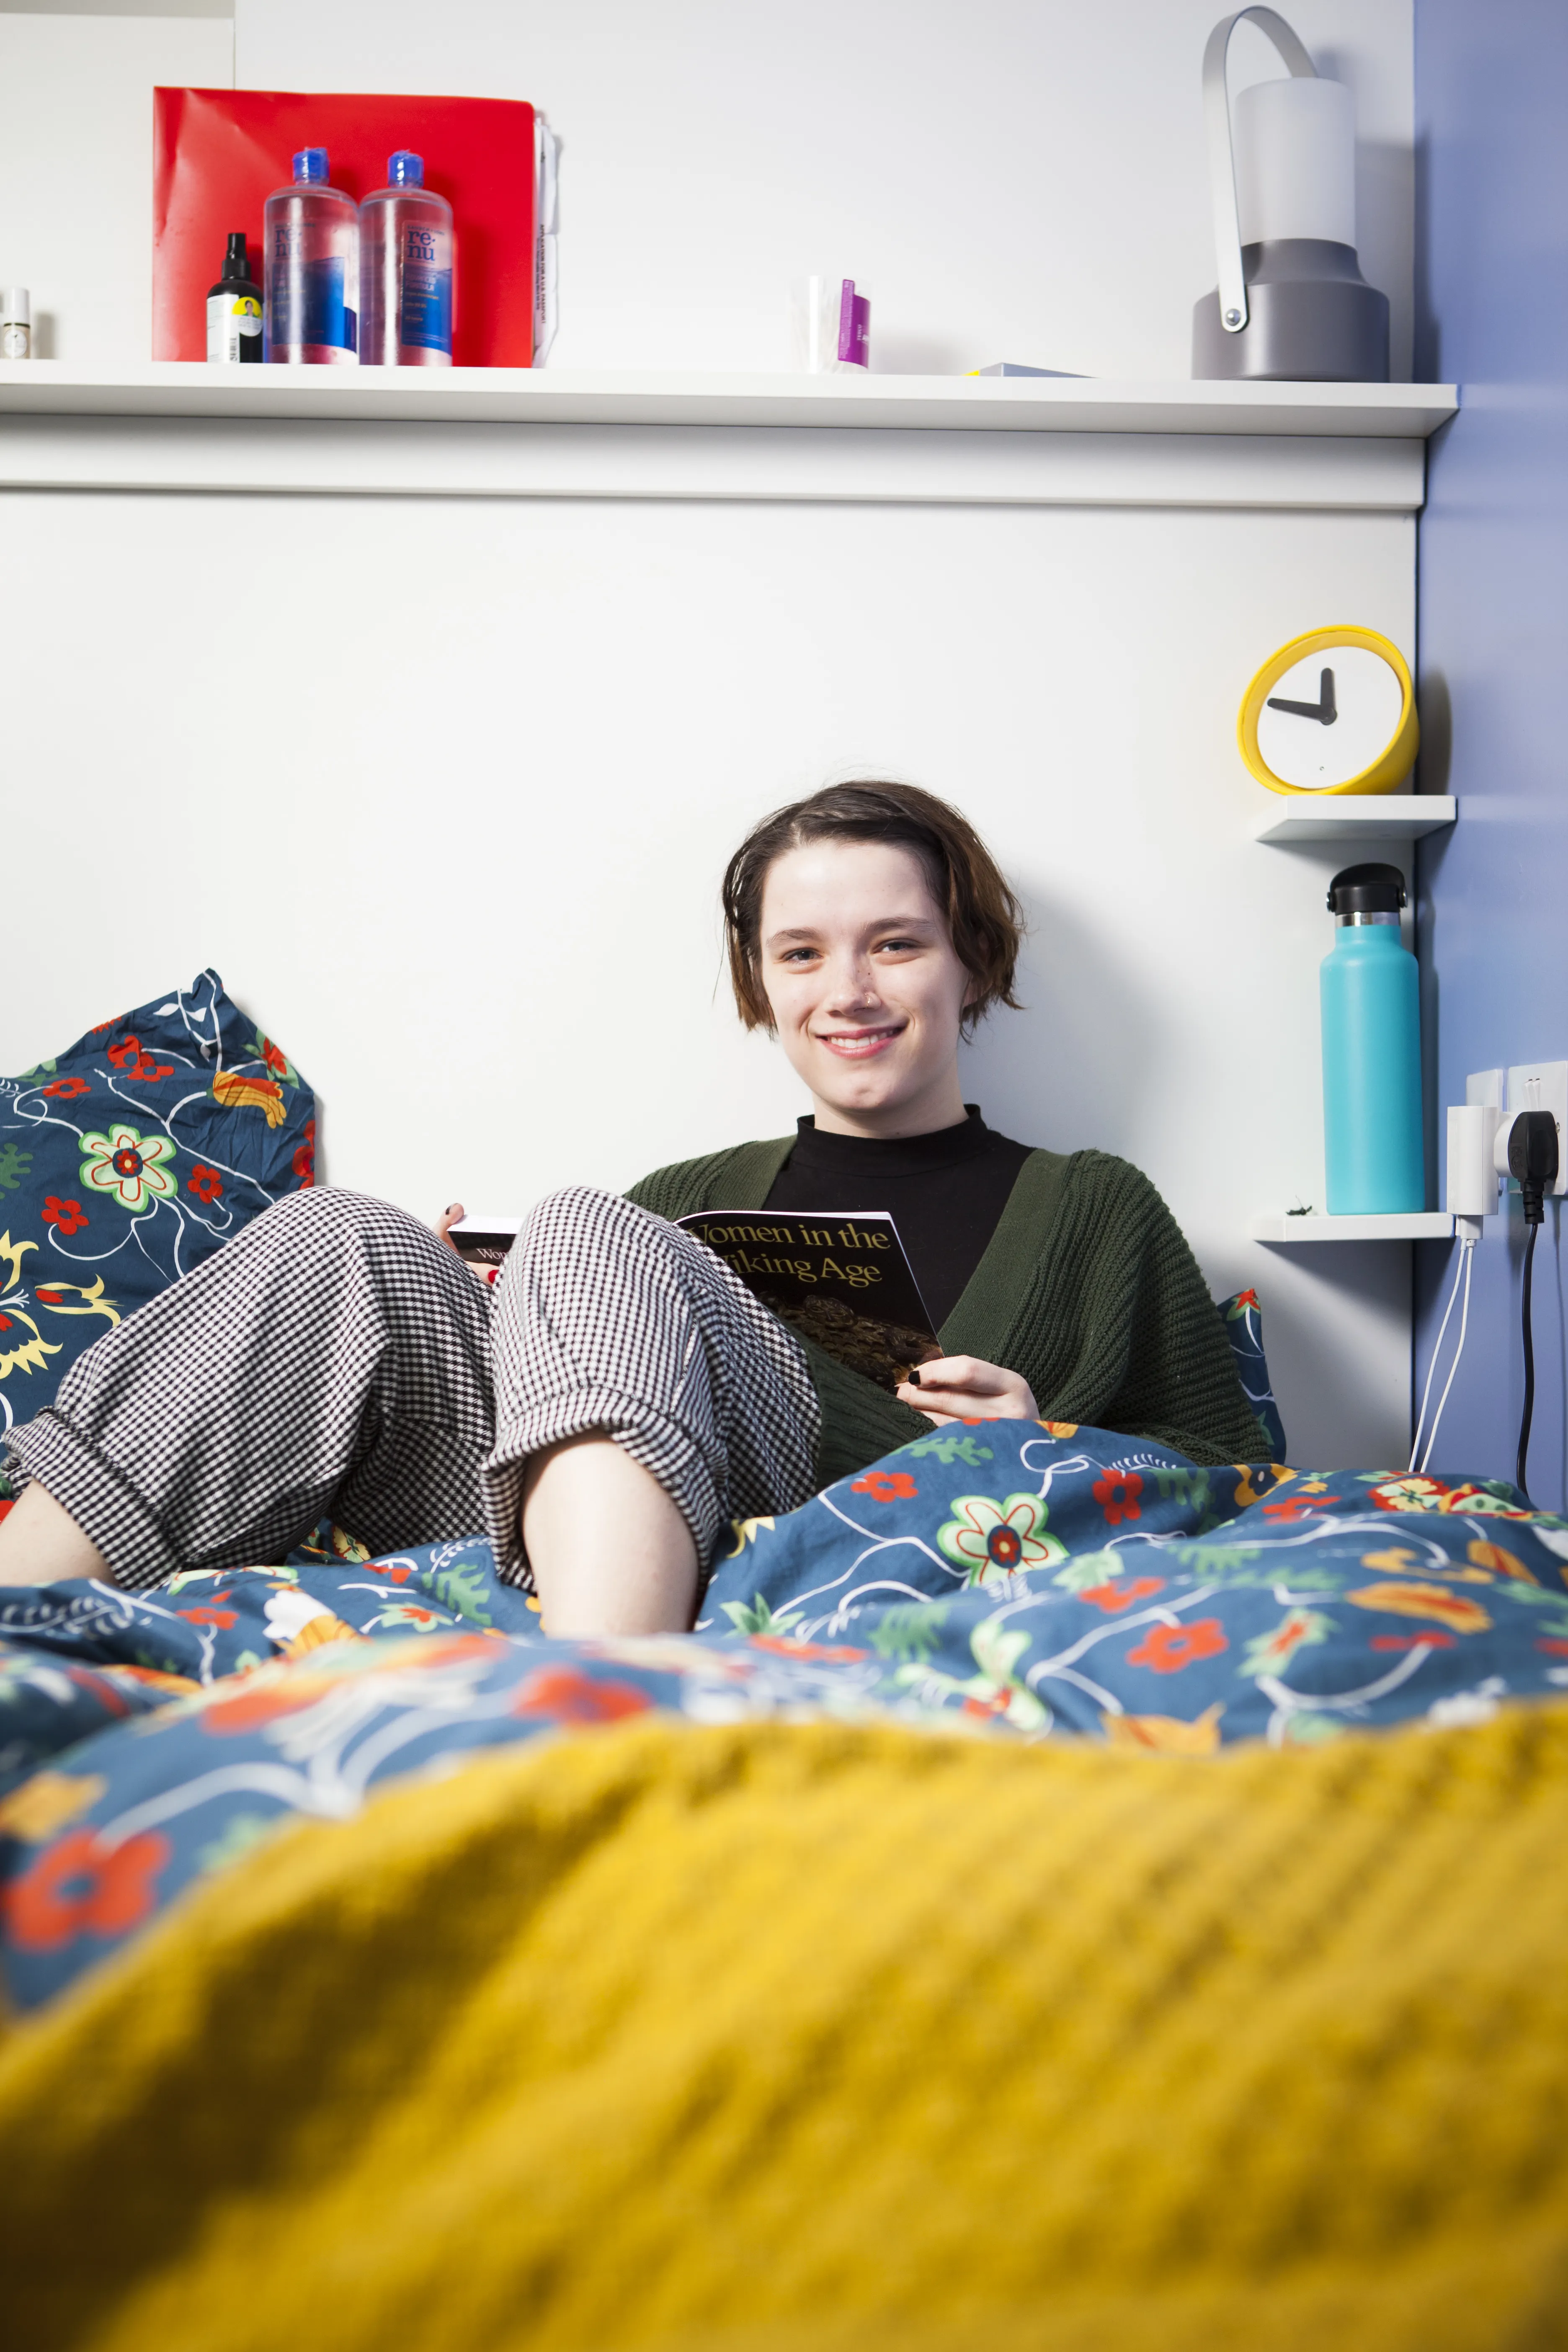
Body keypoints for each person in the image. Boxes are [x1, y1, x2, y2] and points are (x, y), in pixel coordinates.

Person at [0, 781, 1266, 1628]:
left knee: (589, 1220)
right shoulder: (687, 1204)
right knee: (348, 1236)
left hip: (874, 1528)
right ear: (761, 987)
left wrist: (1042, 1440)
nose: (850, 990)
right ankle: (16, 1620)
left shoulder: (1096, 1208)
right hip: (608, 1524)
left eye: (896, 943)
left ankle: (605, 1706)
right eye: (802, 953)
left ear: (971, 959)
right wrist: (495, 1309)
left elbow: (1243, 1479)